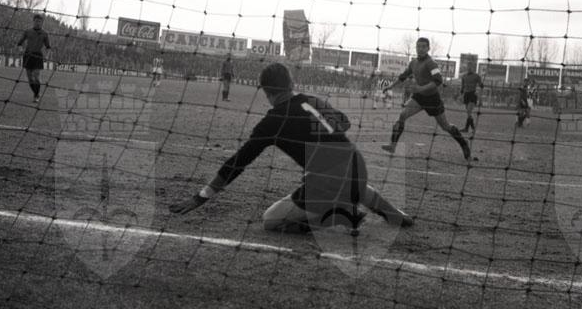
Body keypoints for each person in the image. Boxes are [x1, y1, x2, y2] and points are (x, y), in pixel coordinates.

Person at [169, 62, 413, 232]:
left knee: (270, 220)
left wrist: (202, 196)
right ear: (291, 83)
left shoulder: (272, 122)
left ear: (266, 91)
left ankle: (341, 216)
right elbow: (345, 122)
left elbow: (238, 161)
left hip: (326, 183)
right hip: (357, 165)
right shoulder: (312, 100)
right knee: (349, 179)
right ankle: (395, 214)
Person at [379, 37, 473, 162]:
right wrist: (391, 86)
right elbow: (403, 76)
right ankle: (393, 146)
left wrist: (421, 88)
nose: (421, 49)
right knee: (402, 115)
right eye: (419, 46)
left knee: (445, 126)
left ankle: (464, 145)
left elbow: (438, 81)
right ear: (416, 48)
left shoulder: (431, 63)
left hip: (433, 99)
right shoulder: (413, 63)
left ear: (428, 48)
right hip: (419, 98)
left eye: (424, 46)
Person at [17, 13, 51, 103]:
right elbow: (19, 43)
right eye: (36, 21)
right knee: (30, 78)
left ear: (42, 22)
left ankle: (36, 96)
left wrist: (47, 56)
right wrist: (20, 50)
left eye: (39, 21)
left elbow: (48, 47)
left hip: (38, 56)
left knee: (36, 75)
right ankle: (36, 94)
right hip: (28, 55)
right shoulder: (27, 31)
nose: (38, 23)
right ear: (33, 21)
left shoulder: (45, 34)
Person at [459, 62, 484, 134]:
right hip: (466, 95)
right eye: (468, 66)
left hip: (473, 94)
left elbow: (481, 85)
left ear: (473, 67)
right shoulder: (464, 76)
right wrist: (461, 95)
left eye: (471, 66)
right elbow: (462, 86)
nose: (469, 68)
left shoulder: (476, 76)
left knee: (469, 111)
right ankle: (467, 129)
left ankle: (473, 129)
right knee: (468, 113)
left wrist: (481, 85)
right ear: (467, 67)